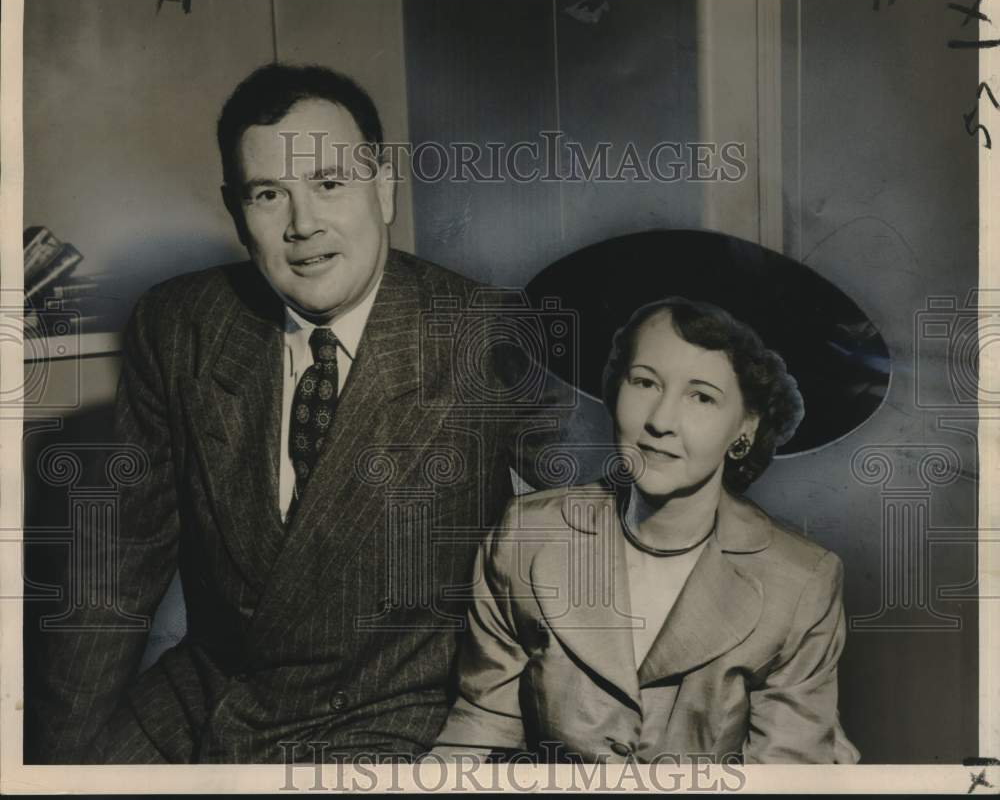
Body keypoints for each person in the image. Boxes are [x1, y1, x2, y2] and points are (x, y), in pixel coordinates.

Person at [28, 63, 601, 764]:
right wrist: (57, 765)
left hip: (392, 719)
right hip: (204, 700)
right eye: (269, 194)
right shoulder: (180, 325)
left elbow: (614, 517)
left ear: (383, 187)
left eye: (330, 184)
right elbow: (112, 571)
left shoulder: (483, 332)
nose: (303, 225)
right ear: (237, 212)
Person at [434, 297, 861, 764]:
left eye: (701, 396)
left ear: (746, 426)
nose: (659, 421)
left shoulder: (801, 581)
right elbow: (480, 727)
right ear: (616, 389)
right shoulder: (527, 535)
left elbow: (785, 777)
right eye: (644, 382)